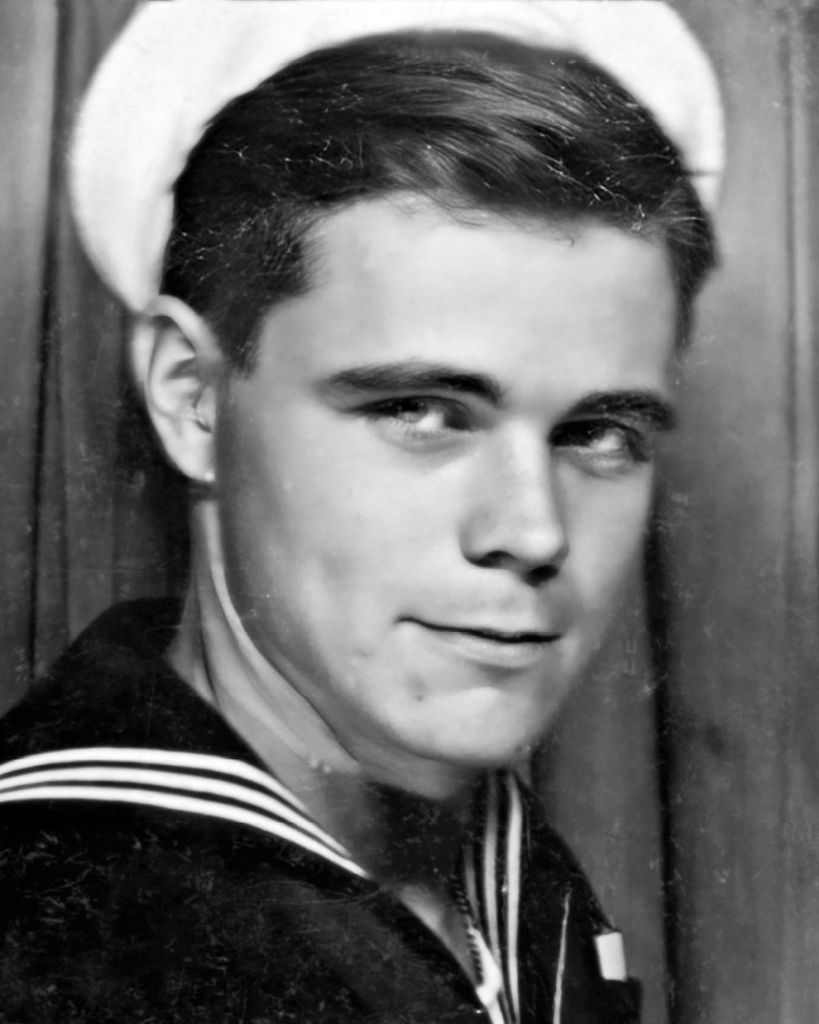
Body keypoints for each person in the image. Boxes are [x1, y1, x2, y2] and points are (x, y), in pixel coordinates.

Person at [0, 3, 721, 1022]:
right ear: (192, 397)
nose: (534, 532)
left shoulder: (503, 871)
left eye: (597, 432)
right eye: (420, 411)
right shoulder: (56, 937)